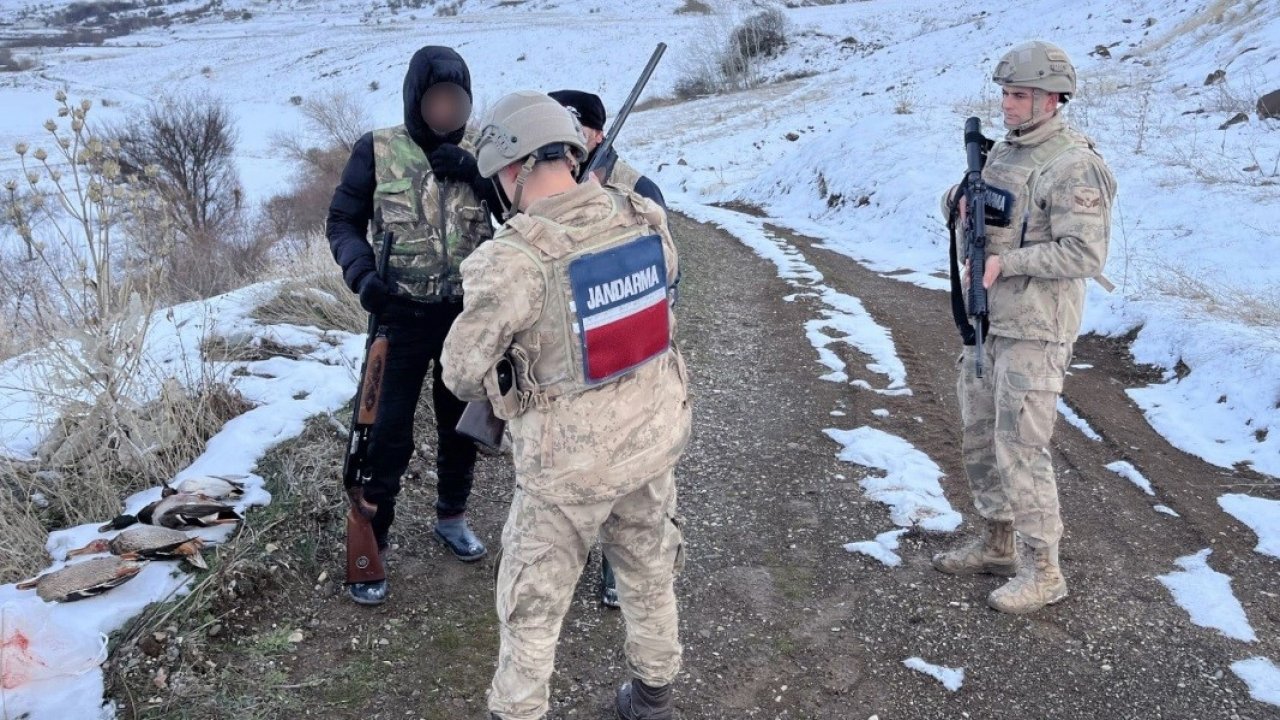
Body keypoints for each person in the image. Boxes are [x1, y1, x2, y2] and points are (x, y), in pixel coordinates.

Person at [440, 91, 690, 720]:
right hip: (651, 442)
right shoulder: (643, 216)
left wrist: (512, 384)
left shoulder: (512, 259)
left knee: (532, 606)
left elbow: (460, 372)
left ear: (510, 168)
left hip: (567, 473)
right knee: (648, 571)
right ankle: (653, 699)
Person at [934, 40, 1117, 615]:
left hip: (1035, 329)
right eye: (1005, 94)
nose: (1006, 105)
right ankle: (997, 543)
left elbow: (1085, 252)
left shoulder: (1072, 164)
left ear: (1050, 99)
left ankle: (1045, 571)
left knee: (1021, 447)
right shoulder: (1004, 153)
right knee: (979, 435)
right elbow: (975, 208)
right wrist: (958, 202)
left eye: (1017, 95)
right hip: (989, 322)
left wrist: (1008, 264)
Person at [326, 45, 496, 606]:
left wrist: (477, 174)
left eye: (458, 99)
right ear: (415, 99)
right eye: (437, 98)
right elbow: (342, 221)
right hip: (396, 315)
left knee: (460, 426)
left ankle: (452, 516)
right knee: (385, 435)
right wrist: (361, 274)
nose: (448, 110)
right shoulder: (377, 149)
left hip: (464, 316)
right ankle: (371, 540)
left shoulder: (484, 151)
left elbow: (522, 214)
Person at [549, 90, 670, 608]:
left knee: (631, 467)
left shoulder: (637, 188)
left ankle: (616, 568)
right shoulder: (547, 188)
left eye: (573, 127)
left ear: (596, 132)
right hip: (563, 356)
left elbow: (661, 280)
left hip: (626, 352)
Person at [548, 89, 666, 208]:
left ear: (598, 135)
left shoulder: (638, 188)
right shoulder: (531, 173)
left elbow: (656, 224)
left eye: (575, 129)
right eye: (553, 127)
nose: (562, 137)